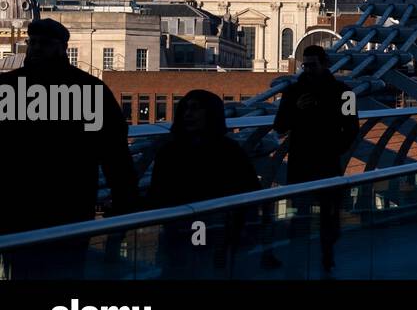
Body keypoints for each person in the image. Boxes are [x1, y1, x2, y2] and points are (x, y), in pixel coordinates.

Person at [0, 18, 137, 278]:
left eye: (45, 44)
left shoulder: (8, 88)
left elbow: (115, 156)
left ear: (63, 48)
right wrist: (124, 206)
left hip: (38, 207)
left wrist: (123, 202)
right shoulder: (89, 90)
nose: (37, 48)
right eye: (33, 43)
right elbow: (115, 154)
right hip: (58, 205)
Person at [147, 89, 261, 276]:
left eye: (195, 109)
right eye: (185, 109)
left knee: (197, 266)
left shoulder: (172, 151)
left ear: (211, 113)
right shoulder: (170, 151)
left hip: (202, 229)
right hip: (189, 230)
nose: (188, 114)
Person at [272, 46, 360, 273]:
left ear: (325, 64)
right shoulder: (292, 93)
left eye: (313, 65)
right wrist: (297, 110)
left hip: (327, 160)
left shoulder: (346, 92)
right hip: (302, 160)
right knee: (300, 213)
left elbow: (352, 127)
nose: (309, 69)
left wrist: (335, 148)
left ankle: (326, 255)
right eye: (306, 65)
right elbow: (280, 125)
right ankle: (301, 258)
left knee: (329, 212)